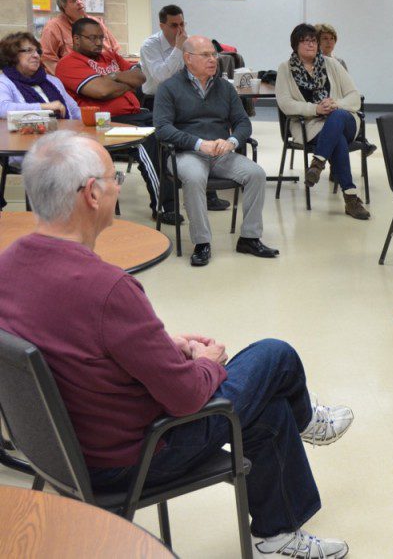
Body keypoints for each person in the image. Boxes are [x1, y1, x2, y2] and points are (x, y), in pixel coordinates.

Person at [0, 130, 353, 559]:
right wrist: (206, 361)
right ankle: (306, 421)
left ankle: (278, 534)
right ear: (92, 194)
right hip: (138, 454)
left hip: (61, 451)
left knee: (268, 406)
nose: (118, 187)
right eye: (116, 180)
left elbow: (74, 338)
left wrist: (163, 345)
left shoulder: (10, 263)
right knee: (275, 357)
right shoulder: (109, 289)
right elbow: (186, 398)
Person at [154, 35, 279, 266]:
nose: (213, 60)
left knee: (256, 174)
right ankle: (202, 243)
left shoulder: (225, 87)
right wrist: (199, 143)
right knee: (193, 177)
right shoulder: (169, 88)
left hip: (221, 153)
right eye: (206, 55)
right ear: (188, 58)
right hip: (185, 153)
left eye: (214, 55)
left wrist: (232, 141)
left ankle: (249, 238)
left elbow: (243, 122)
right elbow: (162, 129)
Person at [55, 17, 176, 224]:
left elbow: (140, 78)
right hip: (105, 123)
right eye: (92, 38)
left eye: (101, 38)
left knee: (175, 126)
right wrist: (120, 80)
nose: (98, 42)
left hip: (136, 113)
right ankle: (163, 205)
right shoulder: (68, 64)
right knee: (151, 138)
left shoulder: (109, 56)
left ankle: (203, 190)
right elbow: (100, 92)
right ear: (76, 39)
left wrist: (111, 78)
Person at [139, 4, 231, 213]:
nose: (179, 30)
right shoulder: (149, 46)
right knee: (164, 146)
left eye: (182, 24)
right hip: (157, 100)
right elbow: (162, 77)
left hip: (185, 97)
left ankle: (208, 193)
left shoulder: (188, 44)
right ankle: (168, 205)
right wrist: (179, 50)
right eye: (173, 25)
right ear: (162, 25)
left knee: (206, 130)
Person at [276, 23, 369, 220]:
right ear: (295, 45)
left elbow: (354, 96)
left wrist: (335, 103)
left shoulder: (331, 64)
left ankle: (317, 163)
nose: (310, 44)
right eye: (305, 41)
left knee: (336, 117)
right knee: (338, 142)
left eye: (313, 41)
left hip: (345, 120)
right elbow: (285, 103)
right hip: (311, 125)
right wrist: (315, 108)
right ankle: (351, 198)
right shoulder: (285, 69)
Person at [0, 31, 80, 211]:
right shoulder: (4, 82)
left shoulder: (51, 80)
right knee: (67, 163)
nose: (36, 55)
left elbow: (74, 110)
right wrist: (43, 107)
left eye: (37, 51)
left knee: (94, 157)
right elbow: (3, 108)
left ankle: (77, 214)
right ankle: (56, 217)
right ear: (11, 56)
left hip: (63, 142)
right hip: (24, 148)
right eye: (27, 51)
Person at [40, 0, 120, 75]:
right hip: (77, 79)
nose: (79, 2)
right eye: (73, 0)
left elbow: (115, 50)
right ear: (63, 6)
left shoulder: (96, 22)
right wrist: (66, 78)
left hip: (108, 74)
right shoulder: (53, 27)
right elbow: (47, 59)